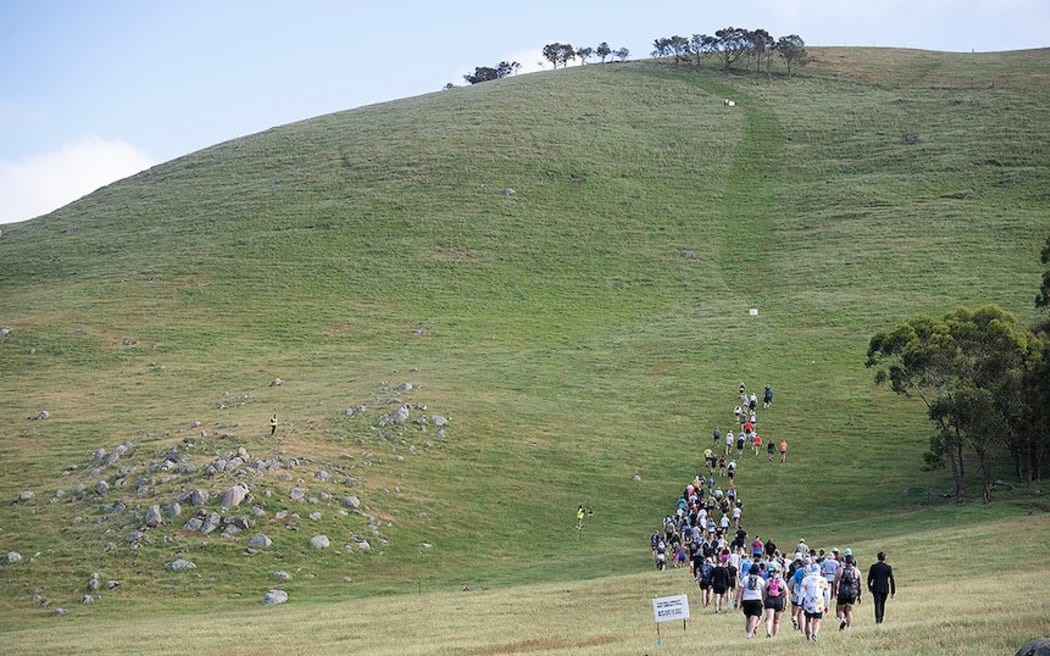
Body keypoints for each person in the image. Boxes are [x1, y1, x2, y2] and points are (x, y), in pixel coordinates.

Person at [799, 563, 830, 642]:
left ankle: (808, 638)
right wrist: (827, 604)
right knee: (817, 620)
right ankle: (815, 634)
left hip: (808, 602)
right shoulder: (823, 580)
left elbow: (802, 592)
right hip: (819, 603)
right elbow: (827, 593)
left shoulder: (806, 579)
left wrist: (799, 604)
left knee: (808, 620)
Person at [867, 551, 896, 625]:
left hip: (876, 588)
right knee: (882, 604)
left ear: (878, 558)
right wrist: (893, 591)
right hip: (885, 588)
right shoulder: (888, 567)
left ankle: (878, 619)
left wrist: (870, 587)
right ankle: (881, 618)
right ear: (885, 558)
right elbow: (891, 580)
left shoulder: (873, 567)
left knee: (877, 604)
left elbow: (869, 578)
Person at [834, 552, 861, 631]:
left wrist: (834, 592)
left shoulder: (840, 570)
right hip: (852, 593)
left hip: (842, 592)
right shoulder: (856, 571)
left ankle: (843, 619)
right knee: (849, 610)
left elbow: (835, 582)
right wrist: (859, 595)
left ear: (845, 561)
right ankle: (849, 627)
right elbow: (860, 585)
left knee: (840, 609)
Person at [738, 566, 766, 638]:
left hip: (746, 599)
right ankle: (750, 634)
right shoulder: (760, 580)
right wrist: (763, 600)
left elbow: (741, 590)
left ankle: (749, 632)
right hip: (756, 599)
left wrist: (740, 600)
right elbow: (764, 591)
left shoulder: (745, 579)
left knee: (748, 618)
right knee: (754, 617)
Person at [764, 568, 788, 637]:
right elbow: (786, 593)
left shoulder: (768, 581)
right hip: (778, 600)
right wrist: (785, 604)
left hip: (769, 600)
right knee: (776, 620)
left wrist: (764, 600)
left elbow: (764, 592)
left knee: (769, 618)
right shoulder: (782, 581)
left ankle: (768, 631)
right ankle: (775, 635)